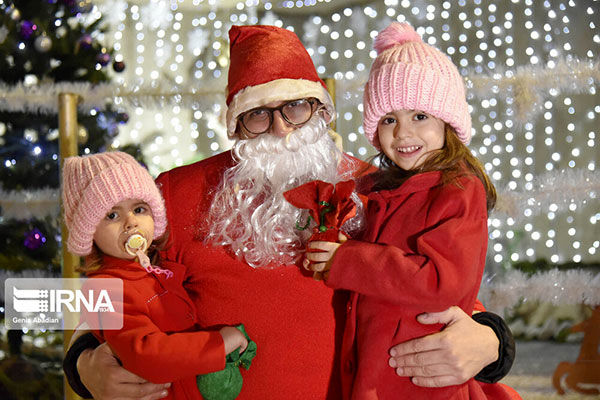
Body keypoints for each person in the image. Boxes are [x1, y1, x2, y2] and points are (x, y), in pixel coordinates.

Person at [63, 25, 515, 400]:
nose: (279, 128)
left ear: (322, 111)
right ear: (236, 126)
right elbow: (110, 280)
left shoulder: (376, 188)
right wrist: (82, 361)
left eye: (296, 108)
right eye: (258, 115)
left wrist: (491, 340)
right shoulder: (175, 192)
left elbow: (438, 279)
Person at [304, 22, 520, 399]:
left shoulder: (457, 188)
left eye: (419, 116)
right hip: (375, 370)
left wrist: (347, 261)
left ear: (447, 121)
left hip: (416, 378)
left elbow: (442, 282)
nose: (403, 133)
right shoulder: (382, 188)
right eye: (389, 120)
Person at [62, 151, 251, 400]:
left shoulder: (156, 270)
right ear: (89, 232)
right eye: (112, 215)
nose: (131, 223)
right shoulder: (105, 288)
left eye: (139, 209)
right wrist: (215, 344)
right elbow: (144, 353)